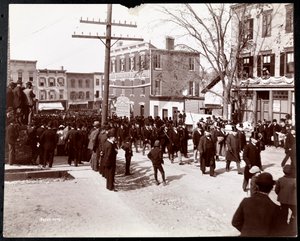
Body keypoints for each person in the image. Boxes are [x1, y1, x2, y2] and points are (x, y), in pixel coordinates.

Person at [232, 172, 285, 236]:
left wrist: (246, 231)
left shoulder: (245, 201)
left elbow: (235, 222)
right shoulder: (276, 208)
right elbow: (279, 231)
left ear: (257, 186)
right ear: (271, 188)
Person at [275, 164, 297, 235]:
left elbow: (276, 190)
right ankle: (292, 223)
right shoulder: (294, 180)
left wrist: (280, 194)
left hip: (283, 200)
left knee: (284, 213)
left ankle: (283, 226)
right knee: (295, 212)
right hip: (293, 201)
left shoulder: (280, 179)